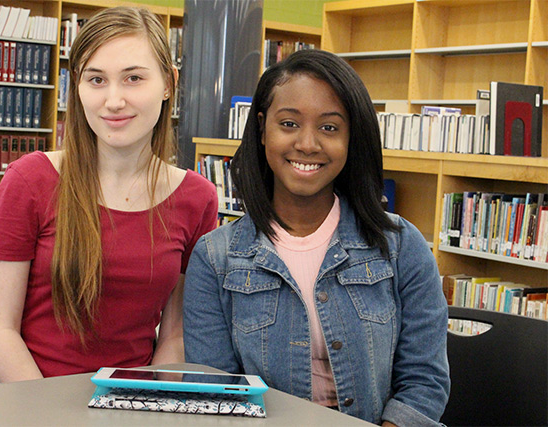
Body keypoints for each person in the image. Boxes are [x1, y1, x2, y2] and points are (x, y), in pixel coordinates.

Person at [183, 49, 450, 426]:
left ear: (351, 137)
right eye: (289, 124)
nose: (308, 144)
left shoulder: (402, 246)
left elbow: (424, 380)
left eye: (329, 128)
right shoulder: (215, 258)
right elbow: (215, 392)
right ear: (262, 128)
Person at [0, 6, 218, 382]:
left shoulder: (197, 198)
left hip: (132, 406)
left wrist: (148, 403)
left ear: (169, 84)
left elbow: (175, 334)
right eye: (96, 80)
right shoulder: (29, 180)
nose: (114, 100)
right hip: (29, 404)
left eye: (134, 78)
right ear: (76, 85)